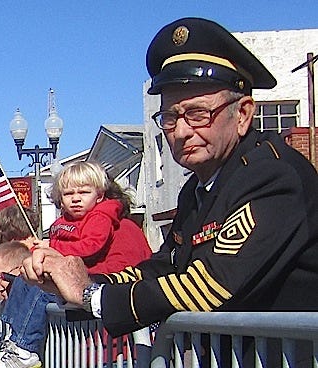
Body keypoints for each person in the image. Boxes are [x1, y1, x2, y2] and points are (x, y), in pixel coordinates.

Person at [22, 17, 318, 366]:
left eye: (197, 114)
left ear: (242, 115)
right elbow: (163, 267)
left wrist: (92, 296)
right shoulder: (199, 188)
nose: (180, 131)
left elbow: (211, 284)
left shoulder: (271, 175)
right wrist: (72, 276)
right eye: (170, 117)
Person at [0, 161, 152, 368]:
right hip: (86, 335)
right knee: (31, 283)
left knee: (40, 290)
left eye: (84, 192)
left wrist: (57, 261)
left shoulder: (120, 227)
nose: (76, 199)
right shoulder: (67, 225)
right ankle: (16, 343)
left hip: (116, 331)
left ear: (100, 194)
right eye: (68, 194)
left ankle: (23, 347)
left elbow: (119, 267)